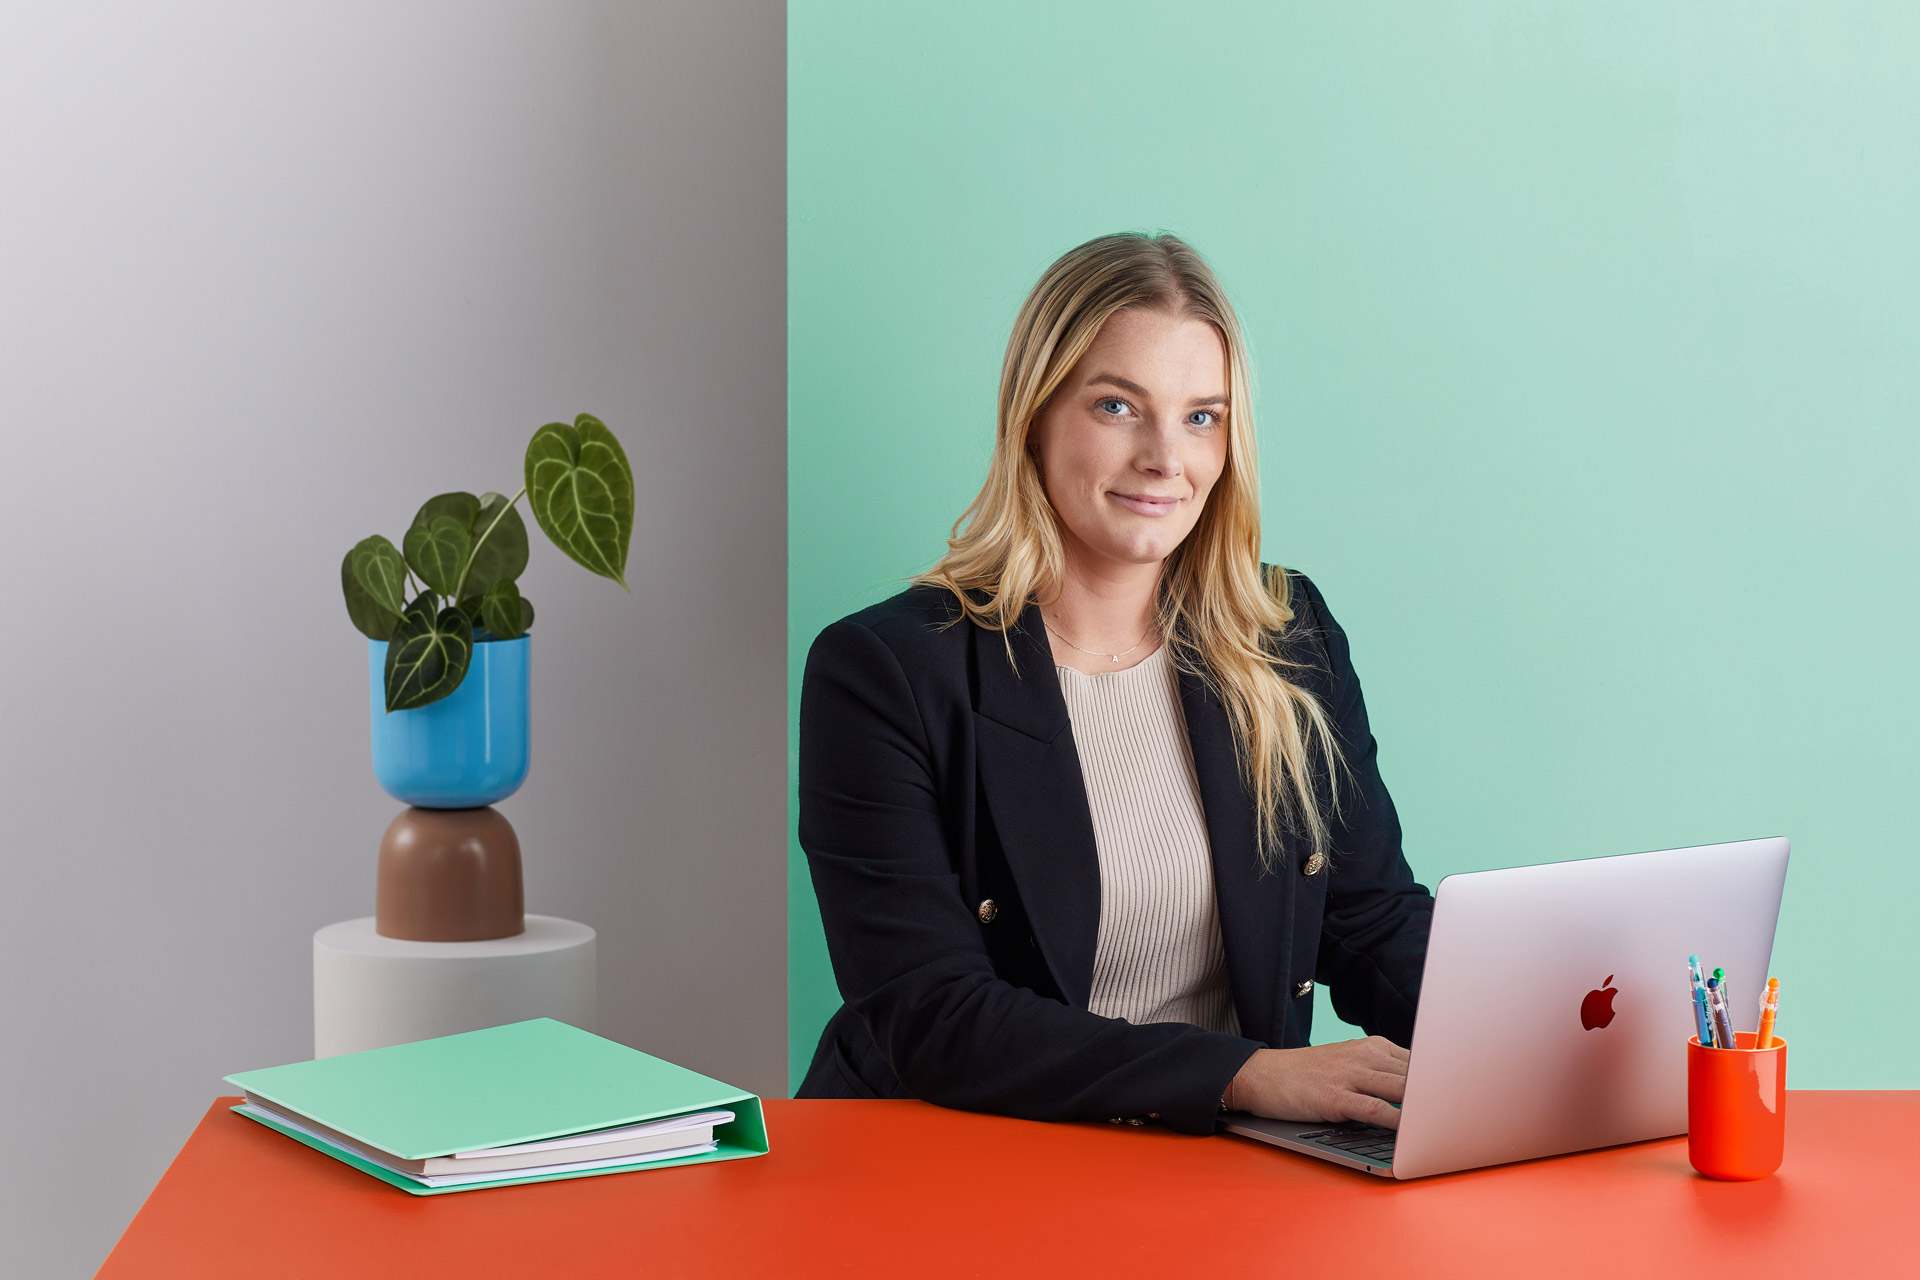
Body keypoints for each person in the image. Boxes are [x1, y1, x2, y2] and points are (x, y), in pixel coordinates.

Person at [796, 231, 1434, 1136]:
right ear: (1036, 417)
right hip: (954, 1165)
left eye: (1201, 416)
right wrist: (1244, 1075)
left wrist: (1534, 1040)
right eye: (1117, 406)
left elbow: (1370, 921)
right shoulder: (886, 672)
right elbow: (930, 1013)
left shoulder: (1287, 637)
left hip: (1218, 1169)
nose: (1165, 458)